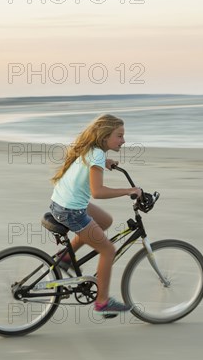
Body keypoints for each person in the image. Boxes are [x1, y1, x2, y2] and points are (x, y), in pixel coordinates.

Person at [49, 114, 142, 316]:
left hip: (60, 204)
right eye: (119, 135)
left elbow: (91, 164)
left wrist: (104, 161)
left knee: (105, 220)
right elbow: (97, 192)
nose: (124, 141)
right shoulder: (96, 155)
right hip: (70, 211)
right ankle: (102, 301)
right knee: (108, 250)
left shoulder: (93, 151)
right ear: (105, 136)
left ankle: (65, 258)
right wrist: (128, 191)